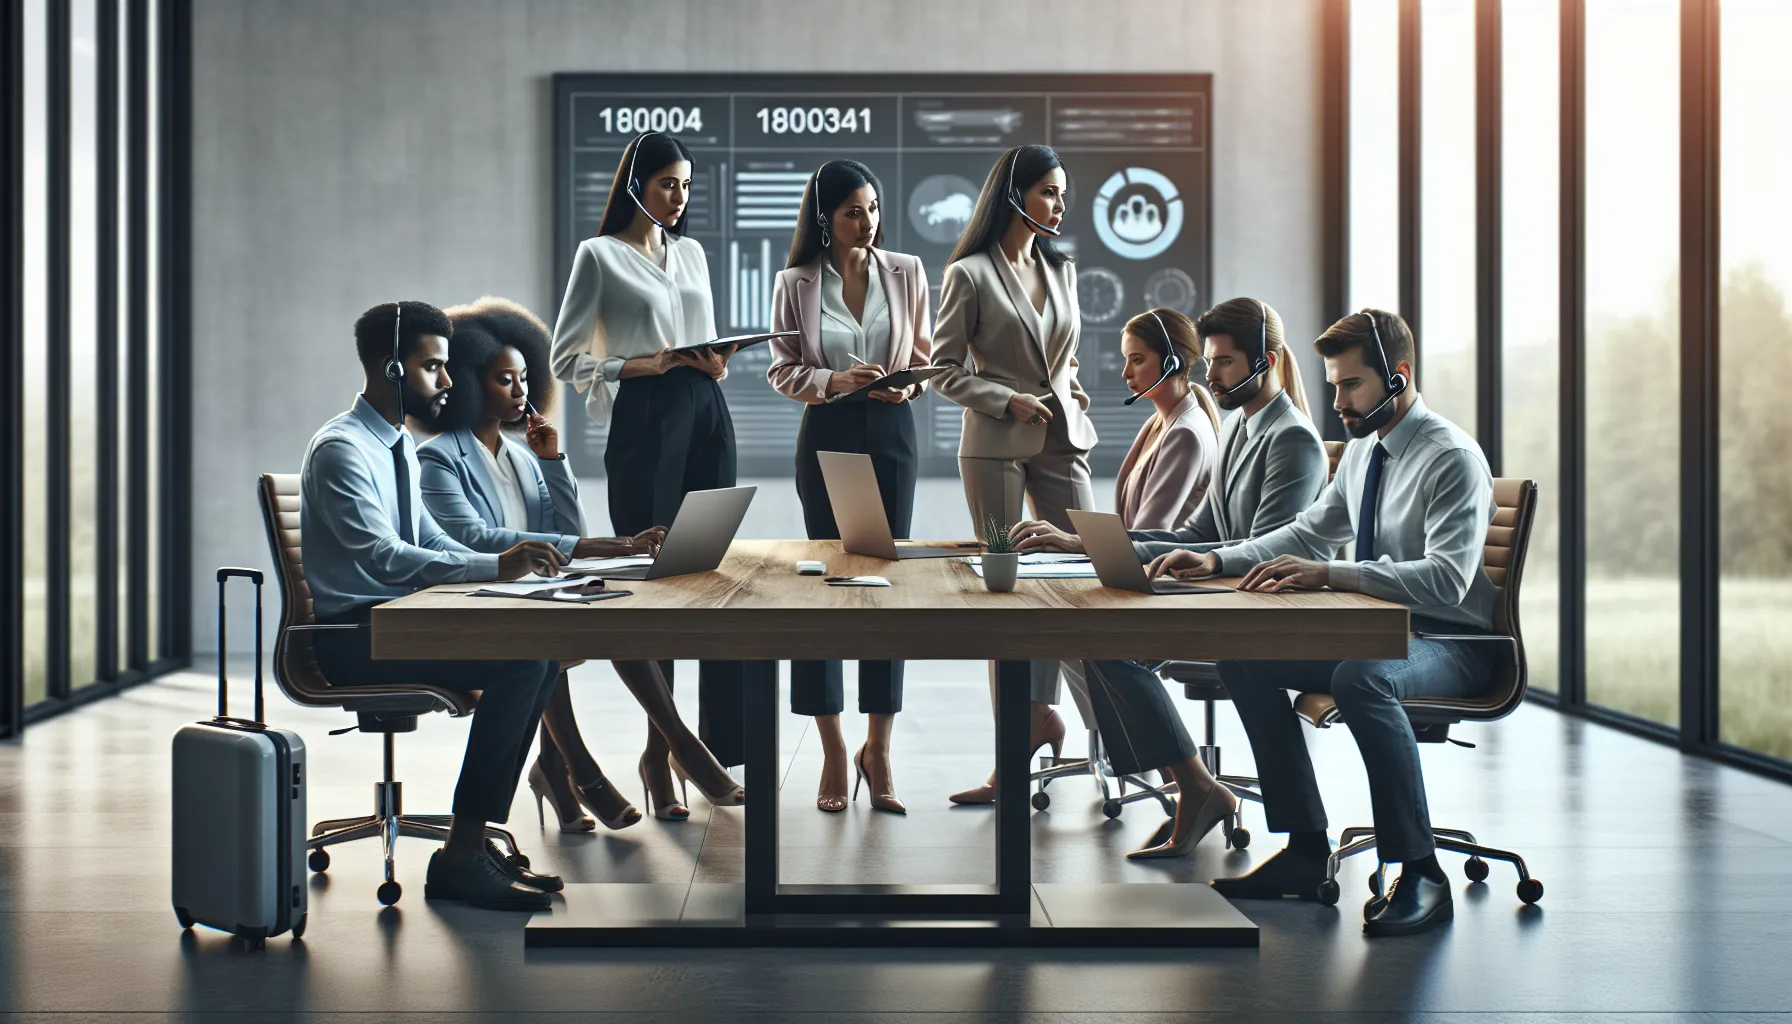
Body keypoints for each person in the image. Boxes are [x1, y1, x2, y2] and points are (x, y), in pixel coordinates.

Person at [1152, 309, 1501, 938]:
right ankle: (1307, 851)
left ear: (1397, 378)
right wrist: (1216, 558)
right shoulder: (1365, 449)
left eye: (1351, 386)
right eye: (1334, 385)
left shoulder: (1449, 457)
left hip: (1454, 640)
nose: (1336, 400)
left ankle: (1422, 871)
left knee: (1362, 678)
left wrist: (1334, 575)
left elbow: (1447, 581)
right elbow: (1312, 531)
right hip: (1381, 629)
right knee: (1245, 662)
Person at [1012, 297, 1330, 860]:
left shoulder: (1294, 439)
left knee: (1107, 640)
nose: (1213, 373)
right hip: (1226, 593)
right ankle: (1195, 787)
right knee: (1096, 636)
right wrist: (1080, 542)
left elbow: (1271, 548)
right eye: (1211, 361)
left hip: (1260, 606)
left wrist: (1207, 561)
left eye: (1227, 362)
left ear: (1269, 361)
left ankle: (1197, 788)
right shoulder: (1238, 428)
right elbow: (1199, 529)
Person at [418, 296, 743, 832]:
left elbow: (568, 526)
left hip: (531, 592)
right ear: (471, 384)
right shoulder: (438, 457)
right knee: (548, 632)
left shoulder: (521, 455)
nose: (522, 392)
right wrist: (591, 550)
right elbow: (473, 538)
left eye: (525, 378)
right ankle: (604, 763)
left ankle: (559, 766)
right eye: (505, 381)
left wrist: (552, 461)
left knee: (618, 617)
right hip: (481, 594)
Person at [301, 300, 564, 912]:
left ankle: (469, 847)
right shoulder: (343, 450)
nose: (448, 382)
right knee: (523, 664)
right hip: (350, 638)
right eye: (433, 368)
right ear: (392, 370)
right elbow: (384, 557)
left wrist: (510, 570)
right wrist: (495, 567)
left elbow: (429, 539)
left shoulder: (390, 442)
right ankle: (460, 857)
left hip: (395, 624)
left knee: (540, 652)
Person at [549, 131, 748, 814]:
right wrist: (647, 364)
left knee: (701, 577)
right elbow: (567, 359)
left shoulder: (690, 252)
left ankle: (662, 754)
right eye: (667, 183)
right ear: (636, 184)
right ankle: (666, 752)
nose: (678, 196)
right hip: (645, 420)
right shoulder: (599, 256)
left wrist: (713, 362)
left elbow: (707, 335)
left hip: (706, 410)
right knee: (654, 585)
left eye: (687, 185)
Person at [930, 144, 1098, 806]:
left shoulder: (1063, 268)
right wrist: (1006, 399)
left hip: (1062, 441)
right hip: (996, 443)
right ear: (1015, 195)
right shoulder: (969, 274)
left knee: (1078, 584)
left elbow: (1069, 361)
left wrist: (1072, 407)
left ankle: (1057, 719)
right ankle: (1010, 757)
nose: (1059, 204)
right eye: (1050, 192)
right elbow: (943, 368)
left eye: (1063, 194)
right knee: (1007, 596)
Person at [767, 160, 933, 814]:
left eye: (872, 209)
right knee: (827, 588)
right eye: (852, 213)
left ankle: (879, 748)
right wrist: (834, 381)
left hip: (894, 430)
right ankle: (834, 747)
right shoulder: (796, 282)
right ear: (824, 219)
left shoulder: (908, 273)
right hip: (828, 431)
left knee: (887, 588)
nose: (866, 223)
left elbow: (925, 358)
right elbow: (784, 371)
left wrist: (907, 381)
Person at [1009, 306, 1221, 549]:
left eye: (1138, 360)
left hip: (1162, 575)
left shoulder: (1186, 434)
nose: (1126, 373)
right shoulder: (1160, 423)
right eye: (1126, 360)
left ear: (1172, 363)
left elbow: (1146, 534)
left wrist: (1073, 541)